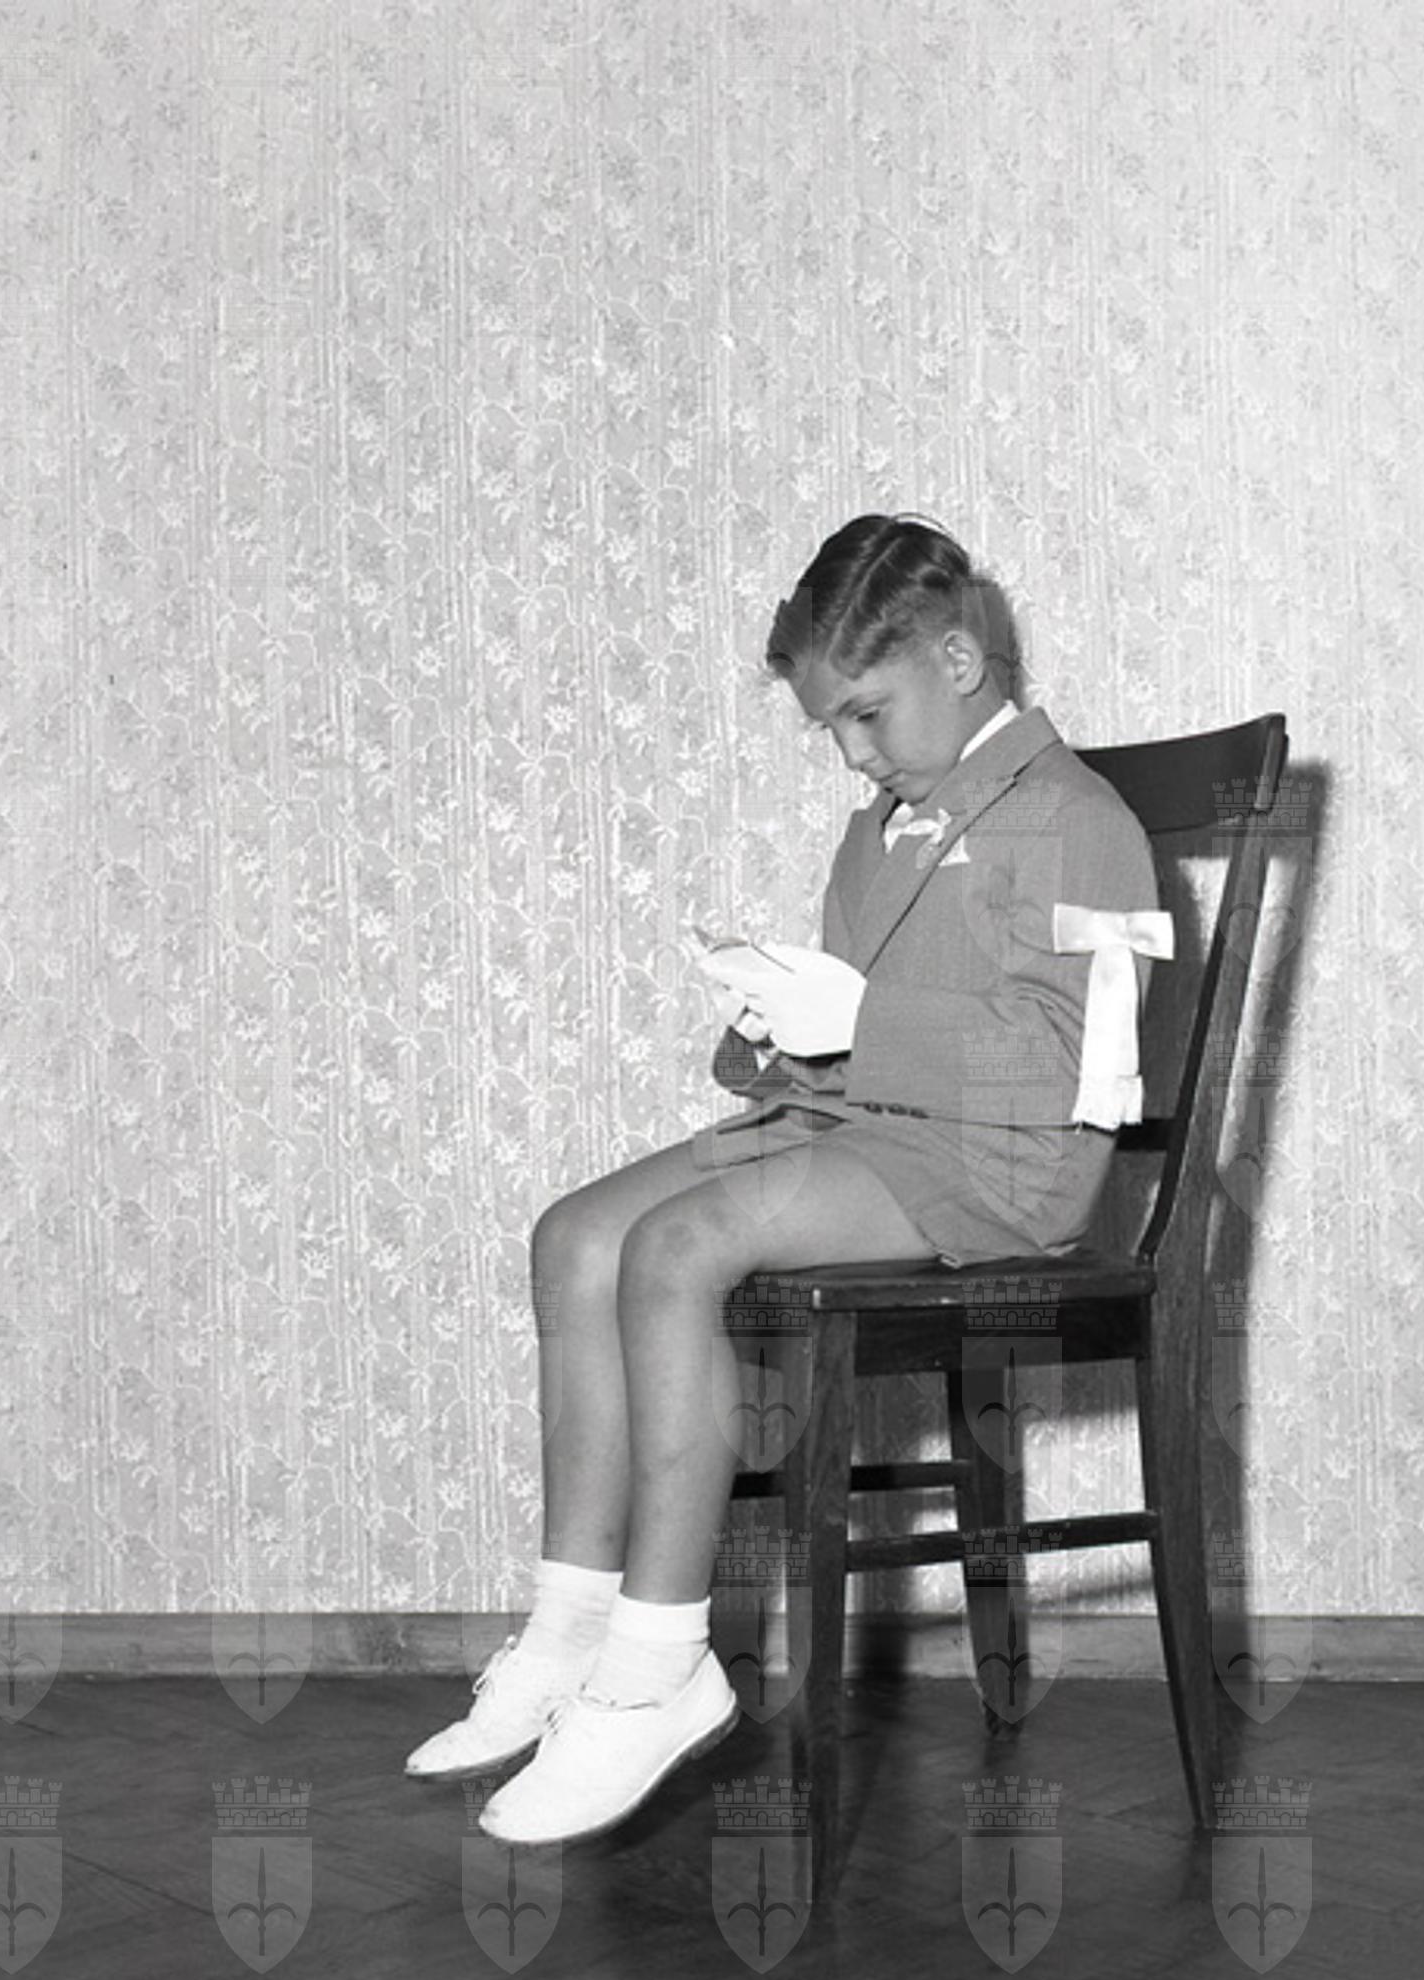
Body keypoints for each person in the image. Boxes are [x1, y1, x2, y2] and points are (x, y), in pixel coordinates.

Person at [405, 514, 1164, 1846]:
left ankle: (659, 1662)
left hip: (1001, 1166)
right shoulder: (885, 827)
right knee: (574, 1237)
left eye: (867, 715)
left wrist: (856, 1021)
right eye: (832, 730)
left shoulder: (1071, 819)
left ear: (959, 659)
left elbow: (1064, 1069)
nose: (853, 754)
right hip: (869, 1131)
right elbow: (860, 1043)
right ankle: (573, 1621)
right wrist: (773, 1030)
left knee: (675, 1249)